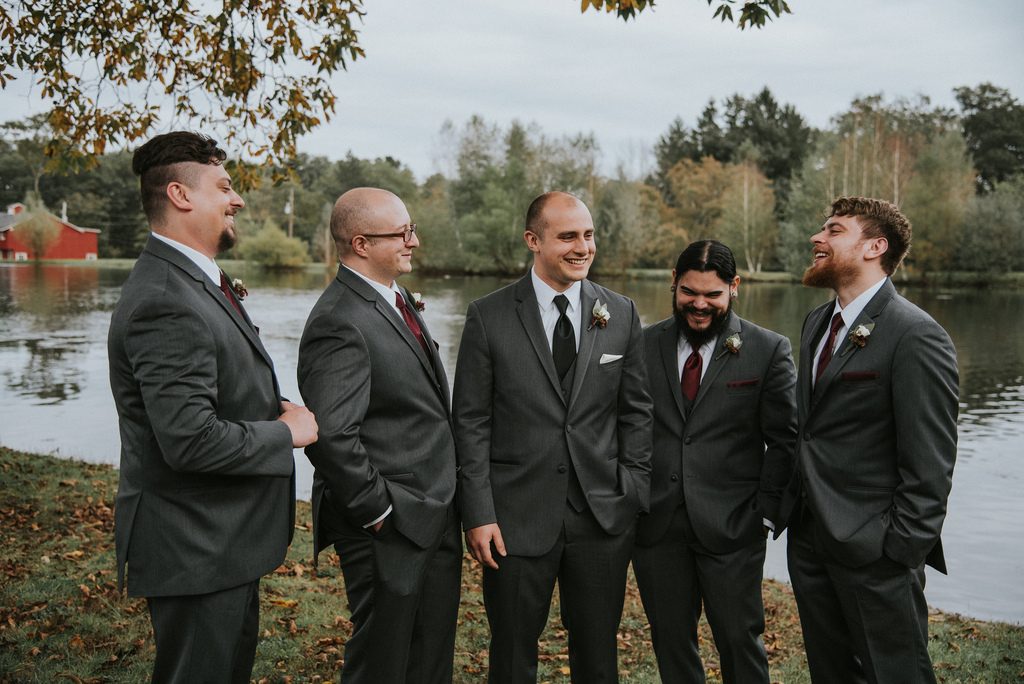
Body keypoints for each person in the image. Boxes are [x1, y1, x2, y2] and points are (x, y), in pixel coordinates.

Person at [108, 131, 318, 683]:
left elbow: (211, 385)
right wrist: (287, 433)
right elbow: (190, 438)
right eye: (225, 187)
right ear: (180, 195)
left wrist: (271, 402)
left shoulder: (194, 282)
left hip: (219, 544)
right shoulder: (164, 299)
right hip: (194, 546)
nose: (238, 199)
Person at [453, 191, 653, 683]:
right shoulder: (489, 315)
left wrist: (631, 489)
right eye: (567, 236)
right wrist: (479, 513)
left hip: (601, 516)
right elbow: (472, 422)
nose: (582, 247)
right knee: (513, 652)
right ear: (533, 241)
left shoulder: (621, 312)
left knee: (598, 655)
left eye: (587, 235)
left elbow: (637, 413)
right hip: (515, 518)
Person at [781, 196, 959, 683]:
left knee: (893, 674)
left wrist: (898, 550)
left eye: (834, 230)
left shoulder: (915, 334)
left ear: (874, 247)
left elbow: (931, 461)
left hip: (875, 551)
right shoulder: (818, 323)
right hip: (812, 539)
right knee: (831, 673)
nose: (817, 238)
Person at [297, 187, 461, 683]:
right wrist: (381, 513)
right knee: (383, 662)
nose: (414, 240)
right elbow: (331, 437)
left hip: (433, 510)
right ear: (362, 243)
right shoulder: (339, 320)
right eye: (403, 232)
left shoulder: (393, 297)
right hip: (387, 524)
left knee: (429, 657)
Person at [633, 240, 797, 683]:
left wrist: (764, 515)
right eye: (689, 292)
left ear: (734, 288)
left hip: (733, 528)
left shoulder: (769, 350)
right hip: (657, 526)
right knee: (670, 640)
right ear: (673, 282)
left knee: (739, 639)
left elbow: (785, 441)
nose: (699, 305)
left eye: (712, 295)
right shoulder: (642, 345)